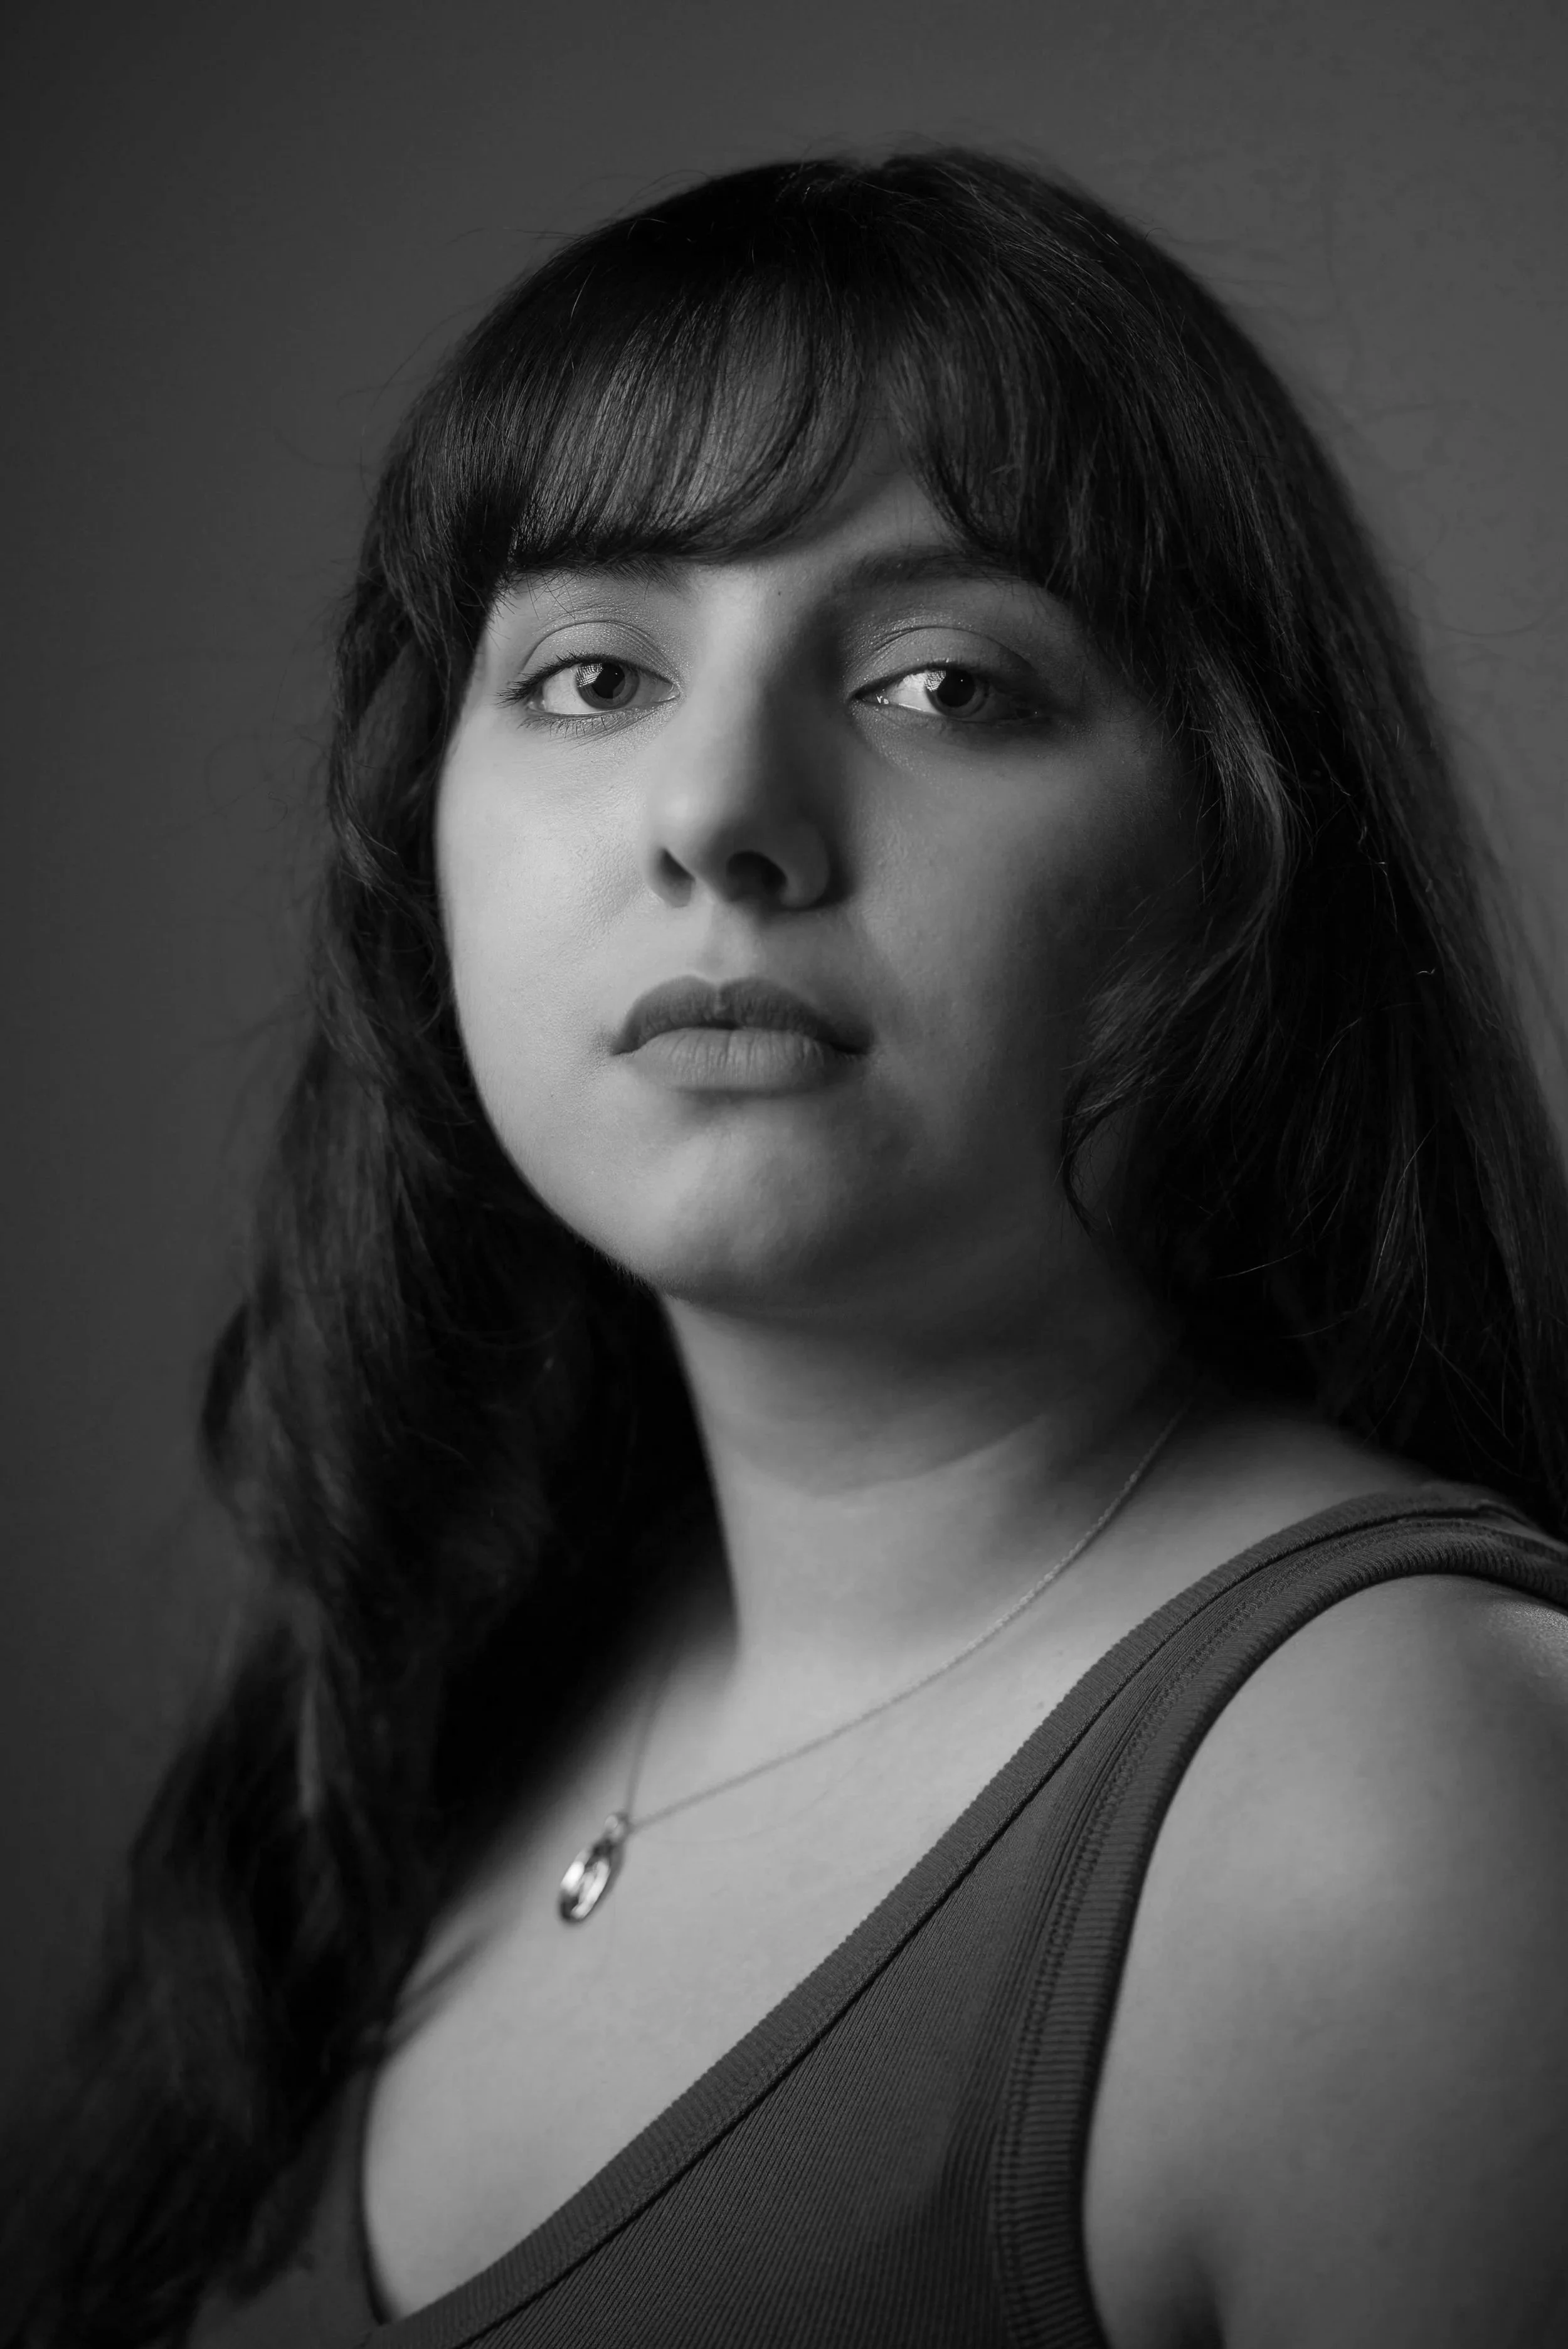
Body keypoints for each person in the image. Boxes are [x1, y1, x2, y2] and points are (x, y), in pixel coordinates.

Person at [5, 147, 1568, 2349]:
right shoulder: (461, 1673)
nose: (718, 811)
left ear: (1233, 861)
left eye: (942, 685)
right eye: (589, 674)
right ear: (419, 835)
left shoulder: (1401, 1807)